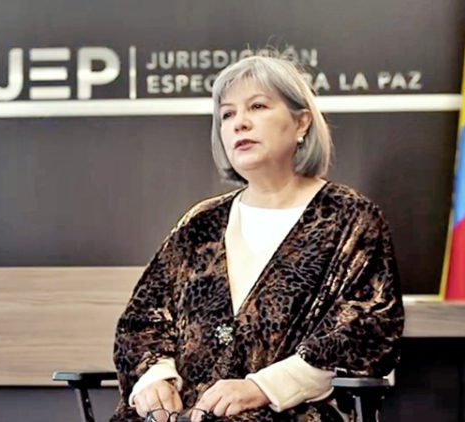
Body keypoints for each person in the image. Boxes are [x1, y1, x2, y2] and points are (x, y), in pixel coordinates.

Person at [111, 53, 404, 422]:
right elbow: (141, 321)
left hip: (291, 413)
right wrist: (154, 378)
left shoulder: (350, 219)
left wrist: (263, 388)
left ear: (301, 122)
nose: (240, 123)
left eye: (258, 106)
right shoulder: (200, 223)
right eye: (227, 115)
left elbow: (368, 331)